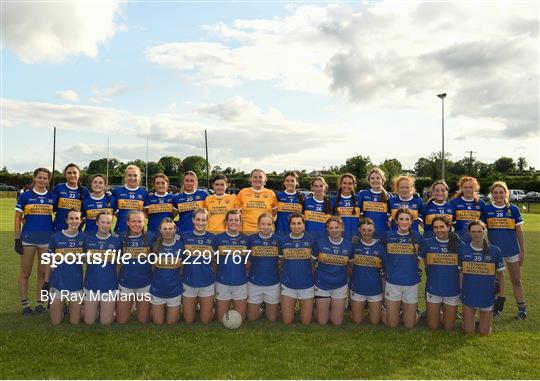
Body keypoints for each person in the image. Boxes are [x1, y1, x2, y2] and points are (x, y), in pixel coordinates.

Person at [14, 168, 57, 316]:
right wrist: (17, 238)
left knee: (42, 273)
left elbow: (59, 216)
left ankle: (40, 303)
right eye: (40, 177)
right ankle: (25, 305)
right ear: (35, 178)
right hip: (28, 239)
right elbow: (17, 218)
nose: (42, 180)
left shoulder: (52, 197)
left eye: (45, 178)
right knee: (25, 273)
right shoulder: (25, 196)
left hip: (46, 240)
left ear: (48, 180)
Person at [483, 181, 527, 319]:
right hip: (495, 252)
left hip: (512, 250)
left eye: (501, 192)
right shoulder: (487, 209)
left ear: (505, 193)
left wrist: (522, 251)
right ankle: (496, 309)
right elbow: (482, 230)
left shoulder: (513, 209)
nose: (498, 195)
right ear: (492, 194)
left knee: (516, 280)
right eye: (495, 192)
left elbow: (519, 231)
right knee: (496, 282)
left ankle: (522, 309)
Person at [459, 220, 505, 336]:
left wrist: (501, 296)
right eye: (473, 231)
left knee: (484, 332)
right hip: (469, 293)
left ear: (484, 232)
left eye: (479, 231)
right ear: (469, 233)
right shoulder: (463, 249)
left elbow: (501, 275)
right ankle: (469, 320)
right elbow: (460, 273)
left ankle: (483, 321)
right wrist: (460, 290)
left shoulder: (495, 250)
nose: (476, 234)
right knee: (468, 331)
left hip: (487, 294)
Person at [383, 208, 423, 329]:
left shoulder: (417, 237)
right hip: (393, 282)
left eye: (407, 219)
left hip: (411, 282)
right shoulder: (388, 236)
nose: (404, 222)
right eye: (401, 219)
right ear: (396, 221)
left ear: (411, 222)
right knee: (392, 324)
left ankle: (414, 312)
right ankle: (384, 308)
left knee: (409, 325)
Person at [419, 216, 461, 331]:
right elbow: (420, 258)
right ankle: (437, 312)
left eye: (442, 227)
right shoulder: (427, 243)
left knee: (448, 327)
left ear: (448, 227)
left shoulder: (458, 244)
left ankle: (443, 312)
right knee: (433, 326)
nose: (439, 230)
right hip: (434, 288)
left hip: (452, 289)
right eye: (435, 227)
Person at [46, 209, 85, 325]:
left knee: (75, 322)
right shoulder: (55, 237)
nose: (74, 221)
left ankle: (84, 308)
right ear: (66, 220)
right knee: (55, 322)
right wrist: (47, 283)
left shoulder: (84, 238)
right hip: (58, 282)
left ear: (81, 220)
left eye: (77, 218)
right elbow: (49, 260)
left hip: (76, 283)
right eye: (71, 218)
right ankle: (61, 307)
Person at [116, 210, 156, 324]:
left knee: (143, 320)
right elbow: (117, 263)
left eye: (140, 221)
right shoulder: (120, 237)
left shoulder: (150, 237)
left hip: (145, 283)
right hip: (125, 283)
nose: (136, 224)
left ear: (144, 223)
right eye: (133, 221)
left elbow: (155, 262)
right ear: (128, 223)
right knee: (121, 321)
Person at [83, 212, 121, 325]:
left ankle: (109, 310)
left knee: (105, 322)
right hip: (91, 285)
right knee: (89, 321)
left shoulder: (116, 241)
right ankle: (91, 308)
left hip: (109, 285)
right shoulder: (88, 240)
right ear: (97, 223)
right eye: (102, 222)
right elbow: (83, 260)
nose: (105, 225)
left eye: (108, 222)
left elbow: (119, 265)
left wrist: (117, 283)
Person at [313, 216, 352, 326]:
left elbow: (350, 266)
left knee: (337, 323)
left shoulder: (349, 245)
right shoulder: (321, 243)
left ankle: (329, 309)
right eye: (331, 228)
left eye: (337, 227)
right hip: (322, 284)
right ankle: (316, 309)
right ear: (327, 229)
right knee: (322, 322)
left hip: (340, 285)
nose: (334, 230)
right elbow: (312, 262)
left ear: (342, 228)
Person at [279, 213, 316, 325]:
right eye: (293, 223)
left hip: (306, 285)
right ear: (289, 225)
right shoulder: (283, 240)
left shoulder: (310, 239)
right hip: (288, 285)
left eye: (299, 223)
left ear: (304, 225)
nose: (296, 226)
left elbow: (313, 263)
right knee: (287, 321)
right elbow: (280, 262)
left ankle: (313, 310)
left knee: (306, 322)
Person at [214, 210, 250, 321]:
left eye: (236, 220)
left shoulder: (246, 239)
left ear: (240, 222)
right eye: (230, 220)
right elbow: (214, 261)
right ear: (226, 222)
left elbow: (248, 263)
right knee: (221, 319)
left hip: (240, 283)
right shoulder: (218, 238)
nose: (233, 223)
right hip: (222, 282)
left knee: (241, 318)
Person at [181, 208, 216, 324]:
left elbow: (215, 261)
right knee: (189, 320)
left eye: (203, 220)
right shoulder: (184, 237)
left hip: (206, 282)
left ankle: (211, 307)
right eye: (198, 219)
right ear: (193, 220)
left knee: (206, 320)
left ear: (207, 221)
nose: (200, 223)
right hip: (188, 281)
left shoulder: (213, 238)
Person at [350, 218, 385, 325]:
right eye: (363, 230)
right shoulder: (354, 245)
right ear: (359, 230)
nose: (366, 233)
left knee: (374, 322)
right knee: (357, 321)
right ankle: (356, 310)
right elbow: (350, 266)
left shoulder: (380, 248)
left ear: (374, 230)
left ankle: (385, 308)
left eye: (369, 230)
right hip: (358, 288)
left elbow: (385, 271)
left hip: (375, 288)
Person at [247, 213, 281, 321]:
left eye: (268, 224)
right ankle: (261, 308)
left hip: (272, 283)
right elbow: (248, 262)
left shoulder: (278, 240)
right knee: (252, 318)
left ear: (272, 225)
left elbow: (281, 260)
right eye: (262, 224)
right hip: (254, 283)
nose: (266, 227)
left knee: (272, 318)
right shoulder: (251, 239)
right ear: (258, 225)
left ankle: (271, 307)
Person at [150, 218, 183, 325]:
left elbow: (183, 268)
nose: (168, 231)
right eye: (164, 229)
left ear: (175, 230)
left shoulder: (181, 246)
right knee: (158, 322)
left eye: (170, 229)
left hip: (174, 290)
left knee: (171, 323)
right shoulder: (154, 246)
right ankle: (155, 309)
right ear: (160, 230)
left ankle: (175, 310)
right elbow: (151, 268)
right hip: (158, 289)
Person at [236, 169, 278, 234]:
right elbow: (237, 212)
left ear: (264, 179)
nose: (257, 179)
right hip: (247, 230)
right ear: (251, 179)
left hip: (266, 230)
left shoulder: (270, 193)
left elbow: (274, 212)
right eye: (255, 177)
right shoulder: (243, 192)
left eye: (260, 177)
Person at [112, 165, 148, 233]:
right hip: (121, 230)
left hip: (138, 231)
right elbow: (113, 211)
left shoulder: (144, 193)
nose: (132, 178)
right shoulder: (117, 191)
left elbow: (146, 213)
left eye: (135, 175)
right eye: (129, 175)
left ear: (139, 177)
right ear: (125, 176)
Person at [52, 163, 88, 231]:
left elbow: (86, 211)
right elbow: (52, 205)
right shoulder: (58, 188)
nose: (72, 175)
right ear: (65, 175)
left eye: (75, 173)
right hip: (59, 228)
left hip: (76, 229)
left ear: (79, 174)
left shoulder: (84, 191)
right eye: (69, 173)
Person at [357, 168, 390, 239]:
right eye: (372, 178)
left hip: (383, 232)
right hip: (366, 232)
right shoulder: (363, 194)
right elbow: (357, 213)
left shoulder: (388, 196)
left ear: (382, 180)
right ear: (369, 181)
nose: (375, 180)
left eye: (378, 178)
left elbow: (392, 215)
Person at [450, 176, 485, 241]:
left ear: (475, 188)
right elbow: (450, 221)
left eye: (471, 187)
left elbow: (483, 222)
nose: (468, 189)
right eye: (465, 187)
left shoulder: (481, 203)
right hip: (458, 238)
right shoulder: (454, 202)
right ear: (461, 188)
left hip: (475, 238)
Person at [331, 173, 360, 239]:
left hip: (355, 237)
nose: (347, 186)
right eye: (344, 183)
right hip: (338, 238)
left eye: (350, 183)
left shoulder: (359, 198)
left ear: (354, 185)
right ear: (340, 184)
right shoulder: (333, 200)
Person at [275, 171, 304, 236]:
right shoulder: (278, 196)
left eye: (292, 181)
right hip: (281, 231)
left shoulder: (302, 196)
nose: (289, 183)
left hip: (297, 232)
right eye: (287, 180)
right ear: (284, 182)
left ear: (296, 182)